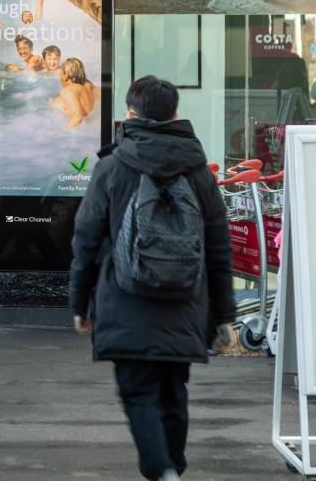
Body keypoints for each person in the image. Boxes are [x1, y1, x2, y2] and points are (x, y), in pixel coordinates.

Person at [69, 76, 236, 481]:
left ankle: (161, 470)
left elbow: (86, 239)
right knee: (173, 393)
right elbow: (218, 244)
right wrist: (224, 314)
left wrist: (79, 303)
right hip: (185, 302)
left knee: (139, 393)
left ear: (130, 115)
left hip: (125, 300)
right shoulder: (199, 170)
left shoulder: (111, 167)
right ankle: (172, 468)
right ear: (176, 113)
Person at [50, 57, 99, 126]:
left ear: (66, 75)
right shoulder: (88, 84)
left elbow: (77, 117)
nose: (59, 77)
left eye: (60, 73)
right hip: (91, 122)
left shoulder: (68, 91)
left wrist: (64, 133)